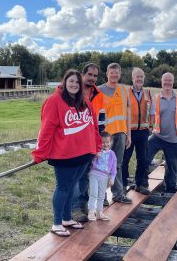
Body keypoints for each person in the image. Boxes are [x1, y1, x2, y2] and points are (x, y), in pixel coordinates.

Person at [32, 70, 102, 237]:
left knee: (72, 186)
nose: (74, 85)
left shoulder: (84, 102)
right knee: (63, 187)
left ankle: (66, 218)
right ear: (64, 82)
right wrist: (40, 153)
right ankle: (56, 223)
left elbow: (93, 127)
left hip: (85, 153)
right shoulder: (54, 101)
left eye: (77, 82)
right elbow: (46, 129)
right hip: (64, 155)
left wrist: (97, 146)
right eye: (71, 81)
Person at [71, 63, 104, 222]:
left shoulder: (98, 95)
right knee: (75, 175)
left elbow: (101, 121)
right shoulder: (72, 91)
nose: (92, 78)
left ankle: (83, 204)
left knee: (85, 175)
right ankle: (74, 208)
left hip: (90, 142)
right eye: (89, 74)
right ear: (82, 74)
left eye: (95, 75)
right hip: (74, 140)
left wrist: (100, 143)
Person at [146, 72, 177, 193]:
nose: (167, 83)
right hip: (157, 136)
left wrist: (176, 128)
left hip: (175, 140)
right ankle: (141, 183)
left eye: (170, 80)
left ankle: (170, 188)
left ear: (173, 82)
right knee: (145, 158)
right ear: (161, 82)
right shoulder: (156, 98)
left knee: (172, 168)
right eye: (165, 80)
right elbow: (151, 115)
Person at [98, 63, 133, 204]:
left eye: (117, 73)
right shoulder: (99, 90)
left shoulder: (124, 91)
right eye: (112, 73)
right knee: (101, 164)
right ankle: (102, 197)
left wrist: (128, 134)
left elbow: (128, 114)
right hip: (105, 135)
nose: (114, 75)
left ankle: (118, 194)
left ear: (120, 74)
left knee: (117, 165)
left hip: (121, 133)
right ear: (107, 73)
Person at [122, 67, 152, 195]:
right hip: (129, 131)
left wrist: (151, 126)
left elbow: (152, 112)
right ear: (132, 78)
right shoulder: (125, 92)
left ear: (144, 78)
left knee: (143, 159)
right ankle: (122, 185)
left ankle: (141, 184)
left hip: (143, 131)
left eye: (141, 76)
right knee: (124, 159)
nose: (139, 79)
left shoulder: (148, 93)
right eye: (137, 76)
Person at [87, 132, 117, 221]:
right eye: (103, 142)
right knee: (93, 193)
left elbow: (114, 168)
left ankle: (100, 212)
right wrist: (95, 156)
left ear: (111, 142)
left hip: (104, 177)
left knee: (101, 195)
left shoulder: (112, 154)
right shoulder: (97, 152)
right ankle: (91, 212)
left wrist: (112, 178)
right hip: (94, 174)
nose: (105, 144)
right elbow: (90, 161)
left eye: (108, 142)